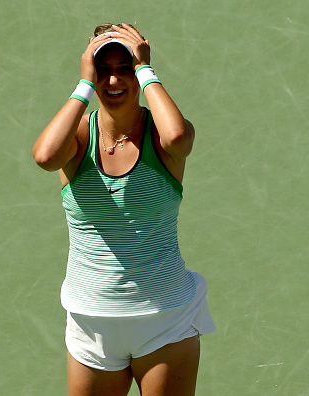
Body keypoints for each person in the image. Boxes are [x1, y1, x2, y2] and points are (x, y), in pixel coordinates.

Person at [32, 23, 216, 396]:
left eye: (125, 67)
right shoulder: (79, 137)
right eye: (103, 69)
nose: (113, 79)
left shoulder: (162, 138)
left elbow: (179, 138)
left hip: (165, 320)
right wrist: (84, 86)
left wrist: (146, 69)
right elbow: (46, 156)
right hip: (91, 325)